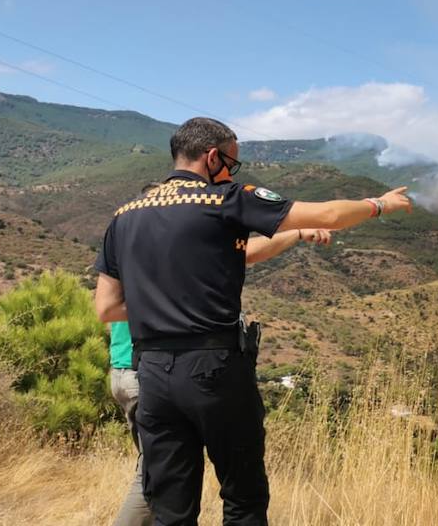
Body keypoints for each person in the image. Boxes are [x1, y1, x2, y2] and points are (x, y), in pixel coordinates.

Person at [93, 117, 412, 525]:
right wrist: (380, 204)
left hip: (152, 373)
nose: (230, 172)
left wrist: (164, 305)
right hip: (213, 368)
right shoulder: (223, 198)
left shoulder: (123, 217)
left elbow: (106, 307)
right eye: (231, 163)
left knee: (170, 507)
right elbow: (329, 214)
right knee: (243, 497)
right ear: (212, 157)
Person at [106, 224, 332, 526]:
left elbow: (107, 308)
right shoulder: (169, 254)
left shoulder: (131, 253)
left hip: (126, 369)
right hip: (150, 372)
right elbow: (245, 253)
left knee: (161, 478)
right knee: (158, 481)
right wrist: (298, 233)